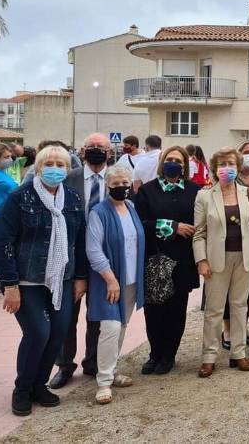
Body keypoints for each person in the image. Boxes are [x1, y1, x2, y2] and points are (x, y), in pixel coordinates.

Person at [0, 145, 87, 416]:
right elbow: (2, 241)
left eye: (61, 163)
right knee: (38, 333)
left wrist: (80, 277)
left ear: (67, 169)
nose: (55, 168)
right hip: (27, 280)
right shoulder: (19, 197)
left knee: (57, 334)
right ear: (39, 167)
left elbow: (78, 240)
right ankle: (22, 389)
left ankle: (38, 385)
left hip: (63, 279)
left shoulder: (72, 198)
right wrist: (10, 285)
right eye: (49, 163)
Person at [194, 147, 249, 377]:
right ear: (215, 168)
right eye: (222, 164)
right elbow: (199, 233)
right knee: (214, 310)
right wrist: (201, 260)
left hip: (244, 258)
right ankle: (209, 356)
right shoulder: (204, 195)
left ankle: (239, 353)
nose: (227, 168)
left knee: (239, 306)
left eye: (231, 164)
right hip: (216, 259)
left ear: (238, 166)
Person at [49, 133, 111, 389]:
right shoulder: (68, 178)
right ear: (83, 152)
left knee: (97, 314)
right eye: (91, 147)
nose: (96, 151)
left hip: (104, 258)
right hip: (70, 257)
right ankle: (64, 365)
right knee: (66, 315)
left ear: (110, 152)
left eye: (101, 147)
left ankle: (93, 361)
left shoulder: (119, 179)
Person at [134, 146, 201, 375]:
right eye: (170, 159)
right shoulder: (147, 191)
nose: (174, 164)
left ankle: (169, 355)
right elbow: (139, 223)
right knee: (154, 311)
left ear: (185, 166)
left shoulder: (195, 191)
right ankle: (155, 353)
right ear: (162, 162)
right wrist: (172, 227)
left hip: (183, 260)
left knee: (176, 310)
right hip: (155, 260)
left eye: (179, 161)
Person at [85, 165, 145, 404]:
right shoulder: (98, 212)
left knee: (121, 326)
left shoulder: (131, 207)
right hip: (108, 281)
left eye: (124, 183)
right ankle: (103, 382)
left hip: (130, 279)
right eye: (115, 184)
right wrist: (111, 280)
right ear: (108, 186)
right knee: (109, 328)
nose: (121, 187)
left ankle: (111, 369)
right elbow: (93, 249)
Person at [0, 144, 18, 299]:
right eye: (6, 157)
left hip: (2, 217)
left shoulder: (4, 173)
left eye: (10, 156)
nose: (10, 159)